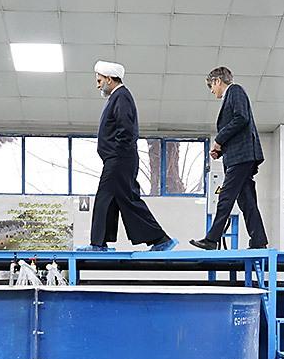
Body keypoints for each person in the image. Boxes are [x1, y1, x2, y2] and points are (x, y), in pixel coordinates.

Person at [78, 60, 176, 252]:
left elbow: (126, 129)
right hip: (119, 158)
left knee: (106, 197)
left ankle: (99, 244)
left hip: (119, 158)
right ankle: (159, 239)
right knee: (121, 199)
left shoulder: (121, 96)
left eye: (99, 80)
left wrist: (116, 154)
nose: (97, 85)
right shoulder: (118, 97)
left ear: (109, 79)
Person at [190, 67, 268, 251]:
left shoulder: (235, 90)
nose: (212, 91)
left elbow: (241, 118)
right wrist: (220, 150)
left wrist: (219, 139)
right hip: (240, 156)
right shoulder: (232, 95)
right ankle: (259, 241)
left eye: (211, 86)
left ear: (218, 81)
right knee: (247, 201)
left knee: (225, 197)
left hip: (242, 157)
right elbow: (238, 129)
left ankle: (212, 239)